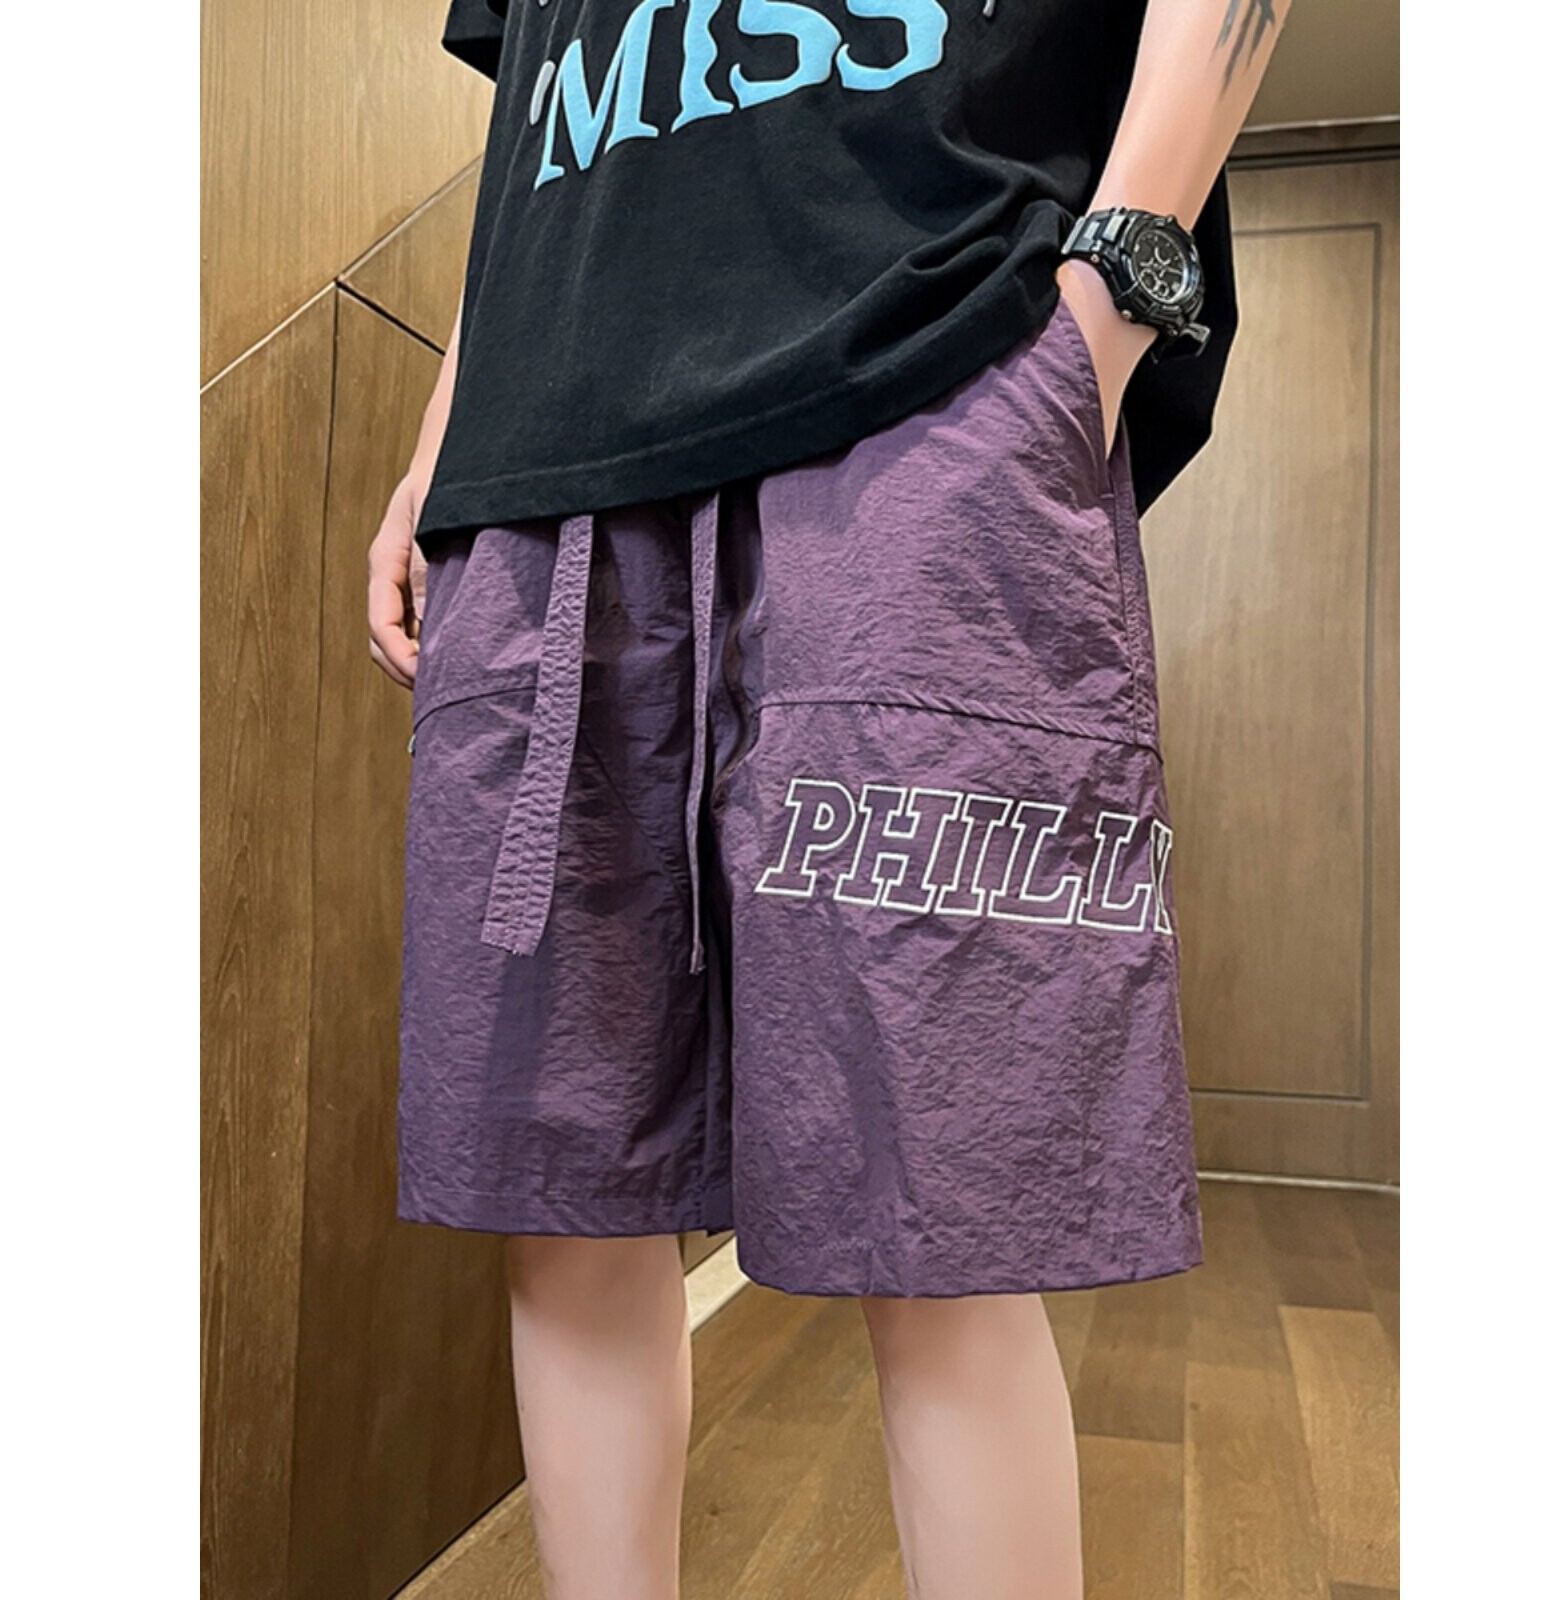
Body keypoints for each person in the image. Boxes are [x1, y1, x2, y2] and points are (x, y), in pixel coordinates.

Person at [368, 2, 1291, 1596]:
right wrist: (439, 447)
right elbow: (535, 138)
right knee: (562, 1192)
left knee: (941, 1201)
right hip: (538, 476)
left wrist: (1110, 298)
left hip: (922, 378)